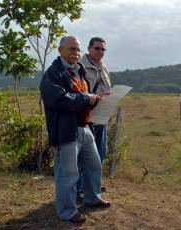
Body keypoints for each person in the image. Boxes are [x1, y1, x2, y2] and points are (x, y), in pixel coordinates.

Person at [39, 35, 111, 223]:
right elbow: (57, 99)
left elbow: (81, 95)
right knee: (68, 174)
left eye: (78, 50)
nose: (76, 53)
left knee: (94, 164)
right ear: (60, 50)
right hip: (66, 130)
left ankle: (92, 198)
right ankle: (67, 212)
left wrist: (95, 99)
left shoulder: (78, 70)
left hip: (84, 126)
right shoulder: (53, 73)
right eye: (72, 49)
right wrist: (86, 99)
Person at [76, 37, 112, 197]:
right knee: (85, 154)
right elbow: (77, 91)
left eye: (103, 49)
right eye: (97, 48)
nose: (100, 52)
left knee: (100, 152)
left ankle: (93, 184)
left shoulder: (103, 68)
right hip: (87, 115)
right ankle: (79, 188)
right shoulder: (80, 66)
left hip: (102, 115)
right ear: (89, 48)